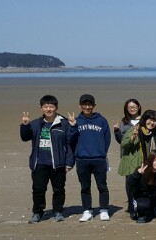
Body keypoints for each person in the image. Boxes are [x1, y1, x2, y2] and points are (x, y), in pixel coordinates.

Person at [20, 95, 73, 223]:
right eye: (46, 107)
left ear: (56, 107)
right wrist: (25, 125)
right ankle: (37, 212)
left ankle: (58, 211)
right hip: (40, 163)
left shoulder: (64, 123)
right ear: (41, 108)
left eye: (51, 106)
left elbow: (70, 144)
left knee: (59, 189)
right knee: (38, 189)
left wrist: (69, 163)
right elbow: (25, 137)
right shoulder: (36, 123)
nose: (49, 109)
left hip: (58, 163)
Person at [67, 94, 112, 222]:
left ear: (94, 106)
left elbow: (107, 139)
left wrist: (101, 152)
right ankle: (87, 211)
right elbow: (71, 140)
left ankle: (104, 210)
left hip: (99, 159)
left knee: (102, 186)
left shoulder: (101, 120)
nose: (87, 107)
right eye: (84, 105)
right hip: (82, 159)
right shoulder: (76, 121)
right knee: (85, 187)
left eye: (90, 104)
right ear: (80, 106)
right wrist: (73, 126)